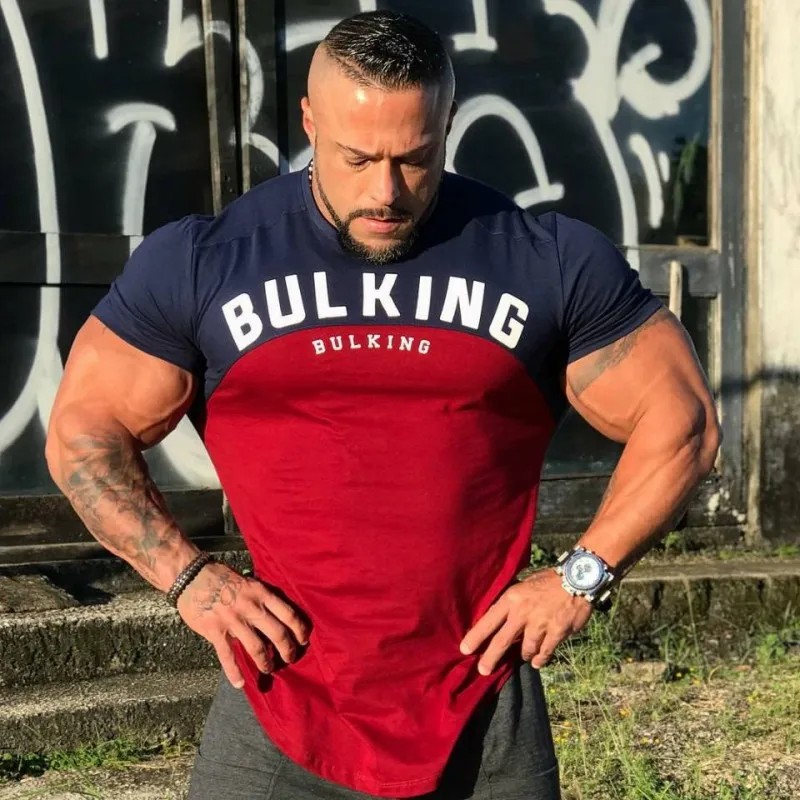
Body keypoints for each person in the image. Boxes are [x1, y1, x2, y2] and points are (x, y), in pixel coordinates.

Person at [44, 10, 720, 800]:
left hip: (483, 707)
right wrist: (187, 577)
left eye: (415, 158)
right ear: (309, 122)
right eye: (357, 157)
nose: (385, 192)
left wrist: (582, 575)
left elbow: (683, 420)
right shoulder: (207, 259)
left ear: (448, 124)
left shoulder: (545, 258)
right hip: (279, 699)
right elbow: (84, 429)